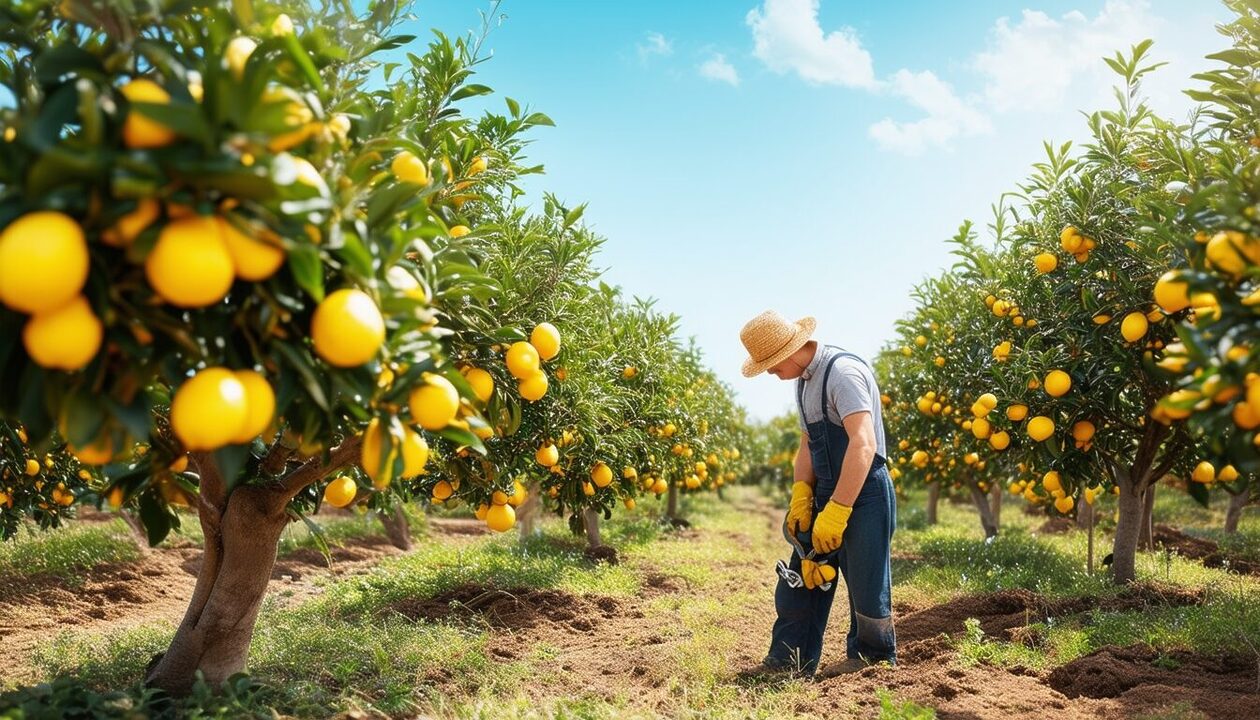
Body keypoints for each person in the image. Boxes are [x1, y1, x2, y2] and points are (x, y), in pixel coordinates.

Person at [739, 310, 896, 677]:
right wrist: (802, 495)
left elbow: (863, 443)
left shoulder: (843, 373)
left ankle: (870, 662)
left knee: (866, 582)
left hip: (865, 492)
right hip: (825, 489)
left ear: (788, 353)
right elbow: (809, 445)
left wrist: (839, 509)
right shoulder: (803, 382)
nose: (770, 373)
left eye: (770, 366)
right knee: (803, 575)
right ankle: (788, 659)